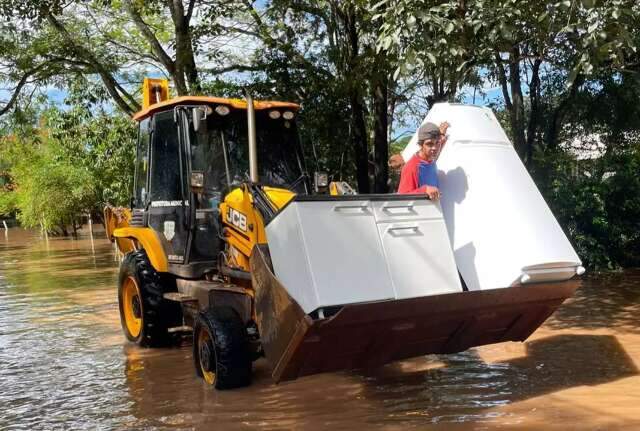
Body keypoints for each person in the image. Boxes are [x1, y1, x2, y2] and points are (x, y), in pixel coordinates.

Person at [397, 121, 449, 200]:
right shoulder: (412, 167)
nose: (434, 148)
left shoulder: (431, 158)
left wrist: (442, 134)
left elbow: (438, 145)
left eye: (437, 143)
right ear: (420, 145)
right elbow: (401, 198)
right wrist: (424, 190)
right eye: (429, 144)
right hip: (421, 211)